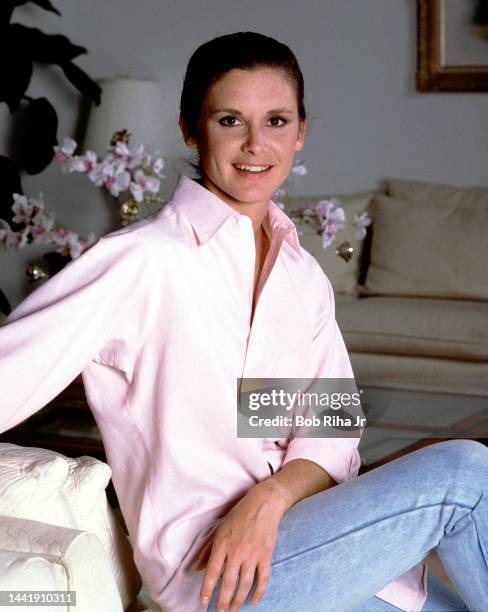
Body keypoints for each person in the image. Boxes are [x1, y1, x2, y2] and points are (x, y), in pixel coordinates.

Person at [0, 31, 486, 612]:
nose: (256, 144)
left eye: (277, 121)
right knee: (465, 474)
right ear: (190, 128)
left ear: (301, 131)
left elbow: (327, 429)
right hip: (213, 580)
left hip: (309, 547)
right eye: (231, 120)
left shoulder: (301, 276)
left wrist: (269, 499)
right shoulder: (144, 260)